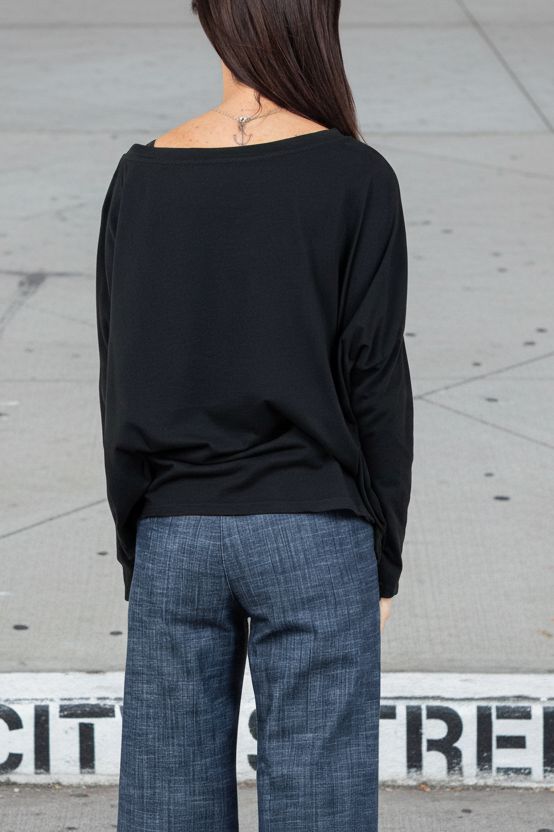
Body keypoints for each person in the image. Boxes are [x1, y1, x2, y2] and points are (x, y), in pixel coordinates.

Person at [95, 1, 413, 829]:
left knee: (167, 798)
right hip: (315, 530)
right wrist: (384, 551)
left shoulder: (141, 175)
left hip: (177, 528)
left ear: (215, 24)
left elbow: (120, 373)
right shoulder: (355, 176)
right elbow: (375, 376)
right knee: (320, 799)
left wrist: (137, 540)